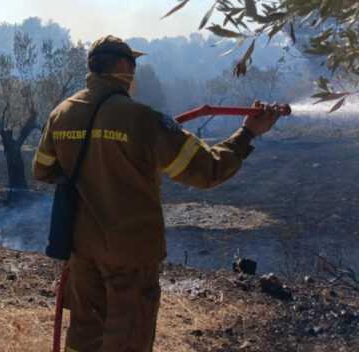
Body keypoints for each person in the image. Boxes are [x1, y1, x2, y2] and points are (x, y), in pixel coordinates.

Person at [32, 35, 281, 352]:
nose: (134, 75)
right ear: (123, 67)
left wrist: (93, 174)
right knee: (128, 339)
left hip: (82, 251)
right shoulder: (143, 120)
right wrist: (247, 133)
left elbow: (42, 169)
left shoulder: (61, 115)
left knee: (85, 337)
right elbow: (208, 170)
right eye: (132, 66)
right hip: (131, 254)